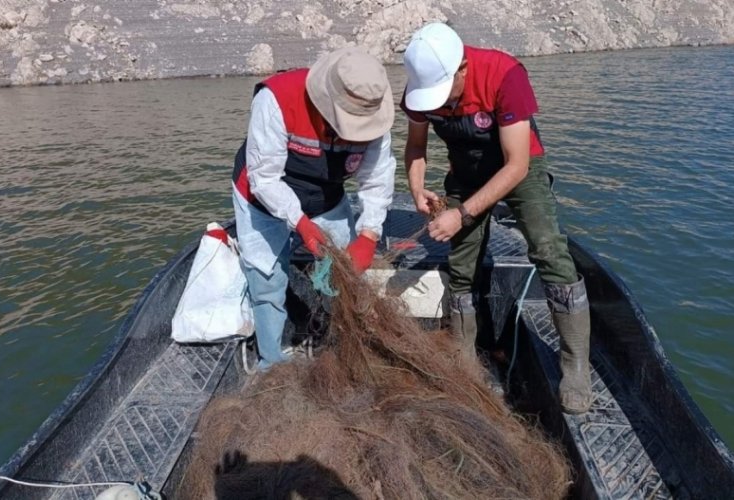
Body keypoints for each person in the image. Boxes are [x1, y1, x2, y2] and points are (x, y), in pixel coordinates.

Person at [400, 23, 592, 414]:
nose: (440, 104)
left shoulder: (505, 75)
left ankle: (574, 365)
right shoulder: (419, 92)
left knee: (548, 250)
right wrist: (417, 189)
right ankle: (464, 358)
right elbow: (416, 147)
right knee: (461, 264)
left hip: (518, 167)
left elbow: (517, 164)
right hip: (466, 172)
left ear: (463, 68)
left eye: (446, 93)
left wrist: (463, 213)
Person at [231, 47, 396, 371]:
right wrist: (300, 223)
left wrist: (369, 234)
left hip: (327, 195)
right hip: (261, 196)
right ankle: (271, 362)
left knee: (346, 276)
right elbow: (264, 178)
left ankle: (338, 346)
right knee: (267, 280)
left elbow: (377, 180)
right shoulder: (277, 99)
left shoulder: (374, 114)